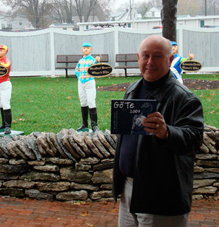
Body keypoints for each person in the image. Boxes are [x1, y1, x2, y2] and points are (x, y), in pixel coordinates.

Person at [112, 35, 204, 227]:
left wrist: (167, 132)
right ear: (138, 57)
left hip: (162, 194)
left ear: (170, 60)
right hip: (128, 189)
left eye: (158, 56)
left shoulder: (185, 98)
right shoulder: (132, 90)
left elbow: (194, 139)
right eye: (145, 56)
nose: (150, 62)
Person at [75, 42, 100, 132]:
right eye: (84, 48)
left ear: (90, 49)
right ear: (82, 49)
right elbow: (77, 70)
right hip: (81, 83)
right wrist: (80, 77)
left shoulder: (92, 60)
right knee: (83, 102)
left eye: (88, 48)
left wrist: (98, 61)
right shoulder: (80, 61)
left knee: (91, 101)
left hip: (89, 82)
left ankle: (94, 125)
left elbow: (97, 68)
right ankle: (84, 124)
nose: (86, 49)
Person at [0, 44, 12, 135]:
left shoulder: (6, 61)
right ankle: (3, 124)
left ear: (5, 51)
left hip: (5, 84)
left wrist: (0, 64)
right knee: (1, 104)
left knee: (5, 104)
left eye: (1, 50)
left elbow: (6, 66)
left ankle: (8, 126)